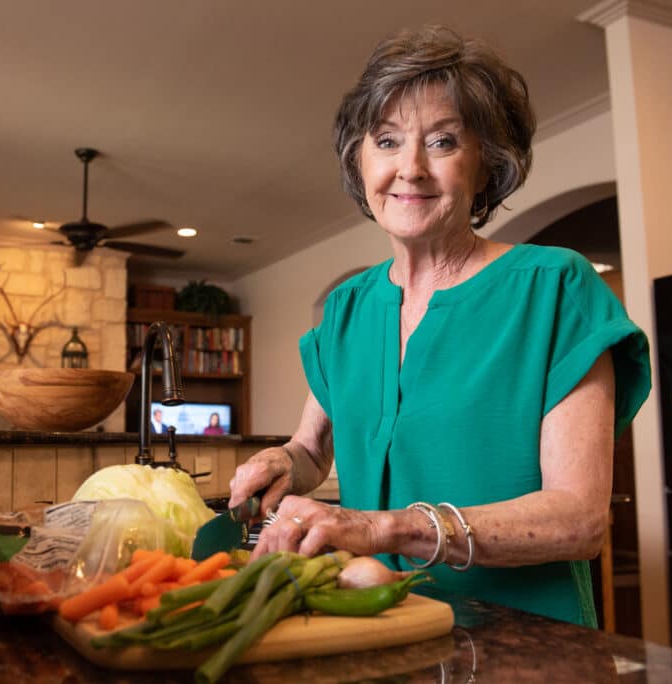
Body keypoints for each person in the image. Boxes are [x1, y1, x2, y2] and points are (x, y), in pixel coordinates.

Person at [227, 25, 650, 627]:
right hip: (374, 633)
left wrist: (385, 528)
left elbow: (579, 520)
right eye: (387, 140)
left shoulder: (556, 289)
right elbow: (313, 449)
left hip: (526, 647)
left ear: (487, 166)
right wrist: (280, 464)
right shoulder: (347, 307)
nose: (411, 168)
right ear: (360, 161)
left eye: (444, 141)